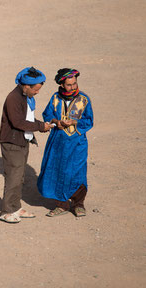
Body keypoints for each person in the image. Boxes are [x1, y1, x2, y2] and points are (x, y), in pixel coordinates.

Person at [37, 68, 94, 217]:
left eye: (74, 83)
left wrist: (75, 122)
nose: (73, 87)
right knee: (56, 170)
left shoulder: (84, 99)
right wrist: (56, 121)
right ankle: (61, 204)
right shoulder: (55, 98)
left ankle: (78, 204)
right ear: (62, 85)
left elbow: (89, 120)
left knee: (77, 172)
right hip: (58, 142)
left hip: (77, 143)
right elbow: (47, 114)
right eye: (69, 85)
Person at [0, 67, 52, 223]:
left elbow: (27, 119)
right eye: (35, 89)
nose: (37, 93)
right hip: (12, 142)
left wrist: (40, 126)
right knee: (13, 177)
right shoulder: (13, 98)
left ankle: (16, 207)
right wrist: (41, 127)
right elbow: (18, 122)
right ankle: (6, 211)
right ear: (26, 86)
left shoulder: (25, 97)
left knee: (20, 176)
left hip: (22, 140)